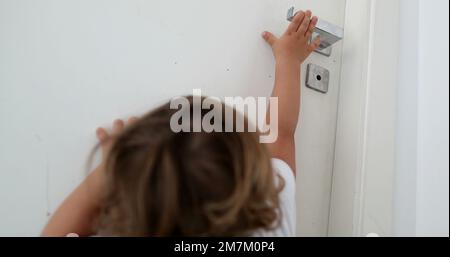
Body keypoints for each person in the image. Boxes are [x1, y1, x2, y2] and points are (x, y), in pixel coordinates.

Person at [41, 10, 320, 237]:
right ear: (252, 178)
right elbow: (281, 133)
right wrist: (289, 60)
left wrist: (115, 165)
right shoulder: (271, 218)